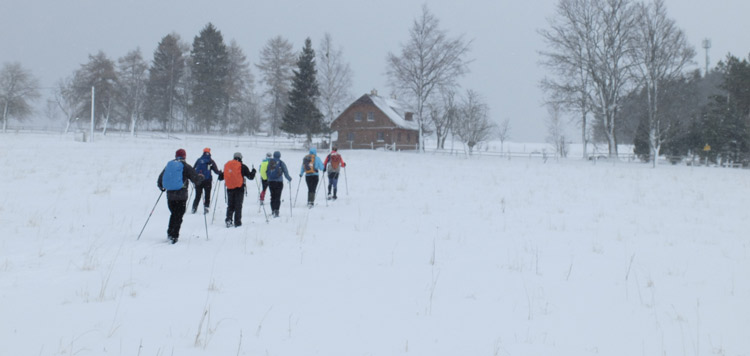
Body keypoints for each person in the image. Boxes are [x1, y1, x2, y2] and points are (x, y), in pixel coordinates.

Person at [157, 148, 203, 244]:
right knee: (178, 216)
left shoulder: (169, 166)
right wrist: (201, 178)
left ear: (176, 156)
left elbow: (160, 180)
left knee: (173, 214)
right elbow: (196, 180)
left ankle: (170, 233)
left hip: (170, 196)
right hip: (181, 196)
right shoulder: (185, 166)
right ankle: (174, 236)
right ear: (184, 156)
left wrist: (162, 187)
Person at [218, 152, 256, 228]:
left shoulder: (227, 165)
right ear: (240, 158)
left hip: (229, 188)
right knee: (238, 205)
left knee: (230, 205)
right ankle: (237, 222)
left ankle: (228, 220)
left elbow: (220, 178)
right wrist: (253, 171)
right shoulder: (242, 166)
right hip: (239, 188)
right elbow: (250, 177)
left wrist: (220, 173)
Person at [192, 147, 221, 214]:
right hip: (207, 180)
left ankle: (194, 208)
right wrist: (220, 173)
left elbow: (193, 169)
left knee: (197, 195)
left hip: (198, 180)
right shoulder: (210, 161)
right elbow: (216, 171)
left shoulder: (199, 160)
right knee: (207, 195)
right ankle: (206, 208)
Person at [266, 151, 292, 217]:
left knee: (272, 196)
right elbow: (285, 172)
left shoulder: (270, 162)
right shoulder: (281, 162)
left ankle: (273, 210)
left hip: (271, 182)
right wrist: (289, 178)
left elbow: (267, 171)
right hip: (279, 182)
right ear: (279, 156)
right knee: (278, 196)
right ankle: (276, 211)